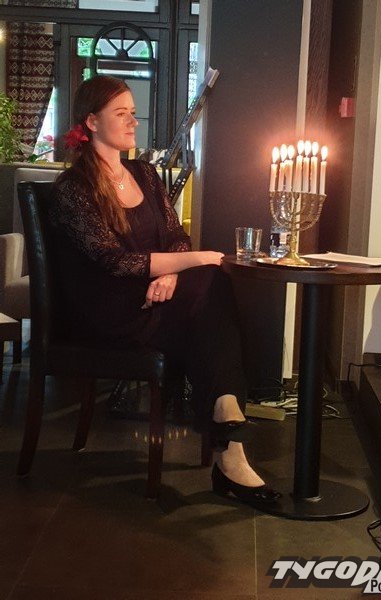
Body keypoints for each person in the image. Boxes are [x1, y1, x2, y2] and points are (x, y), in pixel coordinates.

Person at [50, 75, 280, 506]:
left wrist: (172, 275)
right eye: (121, 113)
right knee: (210, 286)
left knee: (209, 302)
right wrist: (195, 260)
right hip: (109, 309)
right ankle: (228, 428)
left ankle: (229, 433)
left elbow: (176, 238)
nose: (133, 121)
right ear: (92, 122)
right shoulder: (73, 189)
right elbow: (114, 262)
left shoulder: (144, 173)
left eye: (133, 113)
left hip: (157, 298)